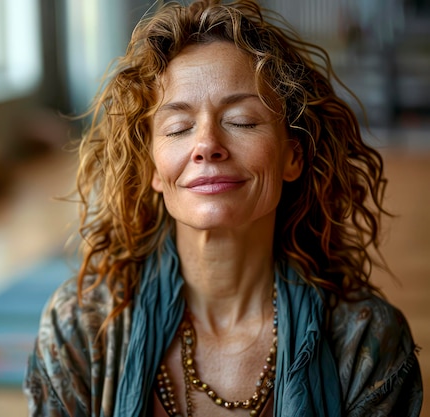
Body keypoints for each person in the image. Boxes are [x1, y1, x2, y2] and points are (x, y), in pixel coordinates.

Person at [23, 1, 423, 416]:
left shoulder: (366, 342)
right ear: (154, 170)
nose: (207, 145)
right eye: (178, 128)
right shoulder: (80, 328)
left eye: (242, 121)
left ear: (293, 156)